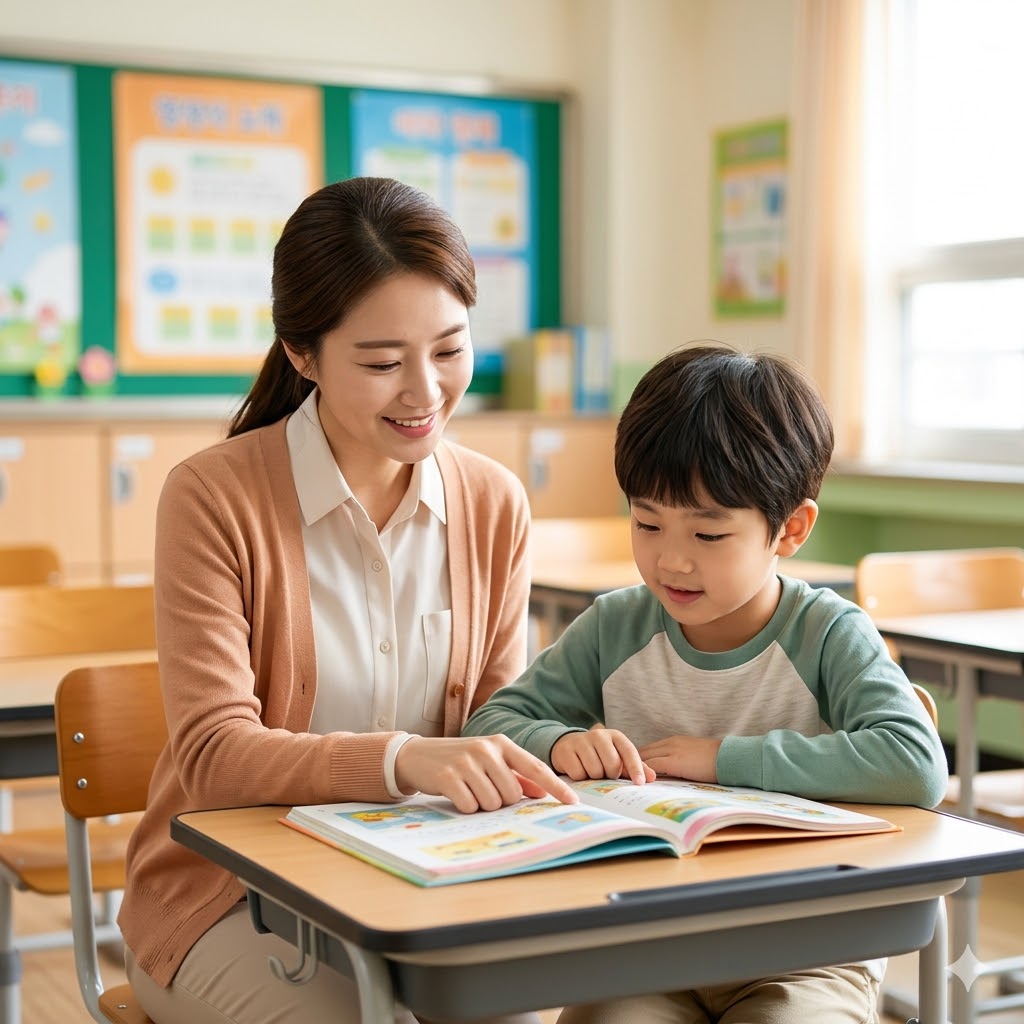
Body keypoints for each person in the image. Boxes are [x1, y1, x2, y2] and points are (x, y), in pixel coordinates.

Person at [118, 176, 576, 1024]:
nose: (425, 392)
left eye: (449, 350)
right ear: (302, 354)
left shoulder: (493, 502)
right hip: (230, 898)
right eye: (381, 363)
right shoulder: (213, 497)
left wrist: (565, 745)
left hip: (426, 882)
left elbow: (496, 719)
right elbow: (214, 756)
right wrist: (404, 759)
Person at [463, 342, 948, 1024]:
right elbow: (489, 725)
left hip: (809, 944)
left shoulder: (828, 633)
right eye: (647, 523)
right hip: (650, 941)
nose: (671, 560)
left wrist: (721, 759)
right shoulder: (615, 627)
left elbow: (915, 763)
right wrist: (560, 741)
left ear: (791, 529)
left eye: (709, 535)